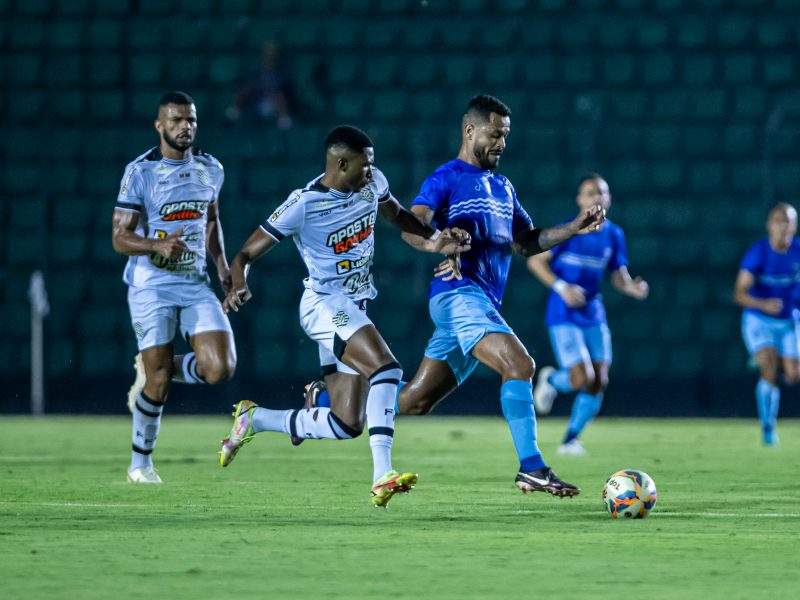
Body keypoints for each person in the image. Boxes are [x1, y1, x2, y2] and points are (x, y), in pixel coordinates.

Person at [313, 95, 605, 497]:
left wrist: (573, 227)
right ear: (470, 130)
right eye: (495, 134)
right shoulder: (446, 178)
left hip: (479, 302)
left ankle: (326, 397)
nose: (502, 143)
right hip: (458, 295)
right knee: (520, 364)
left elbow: (525, 242)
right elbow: (412, 225)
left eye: (506, 136)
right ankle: (532, 467)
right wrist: (439, 242)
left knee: (415, 401)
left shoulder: (503, 186)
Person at [217, 125, 470, 508]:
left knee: (346, 423)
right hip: (323, 305)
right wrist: (237, 282)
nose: (371, 171)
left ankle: (255, 419)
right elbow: (245, 254)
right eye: (364, 165)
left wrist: (437, 240)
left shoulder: (371, 183)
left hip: (352, 307)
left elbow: (399, 216)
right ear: (340, 162)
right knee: (386, 369)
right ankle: (382, 475)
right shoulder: (303, 203)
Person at [112, 91, 237, 484]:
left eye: (191, 120)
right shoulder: (140, 173)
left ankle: (156, 366)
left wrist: (223, 268)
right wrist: (155, 244)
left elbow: (211, 222)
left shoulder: (210, 168)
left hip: (195, 282)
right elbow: (119, 237)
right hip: (152, 285)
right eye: (177, 120)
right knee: (160, 382)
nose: (185, 127)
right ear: (160, 125)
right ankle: (141, 463)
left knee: (221, 368)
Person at [527, 174, 649, 456]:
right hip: (564, 312)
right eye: (590, 193)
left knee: (600, 380)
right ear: (580, 200)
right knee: (582, 377)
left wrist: (632, 287)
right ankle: (552, 380)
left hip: (593, 312)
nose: (597, 197)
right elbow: (535, 261)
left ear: (608, 199)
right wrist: (562, 286)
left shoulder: (614, 234)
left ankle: (570, 439)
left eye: (602, 193)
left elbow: (619, 276)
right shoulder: (569, 231)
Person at [733, 202, 800, 446]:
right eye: (778, 221)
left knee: (794, 374)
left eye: (788, 221)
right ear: (770, 225)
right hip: (759, 319)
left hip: (789, 321)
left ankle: (763, 356)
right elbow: (739, 293)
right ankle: (768, 428)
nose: (783, 226)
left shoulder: (798, 252)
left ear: (794, 226)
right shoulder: (758, 253)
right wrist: (763, 305)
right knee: (769, 369)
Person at [225, 40, 294, 130]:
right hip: (257, 100)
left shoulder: (283, 70)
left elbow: (286, 87)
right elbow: (252, 85)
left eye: (273, 53)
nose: (270, 55)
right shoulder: (256, 70)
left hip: (274, 103)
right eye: (268, 53)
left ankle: (284, 121)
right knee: (244, 90)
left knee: (279, 96)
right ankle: (233, 113)